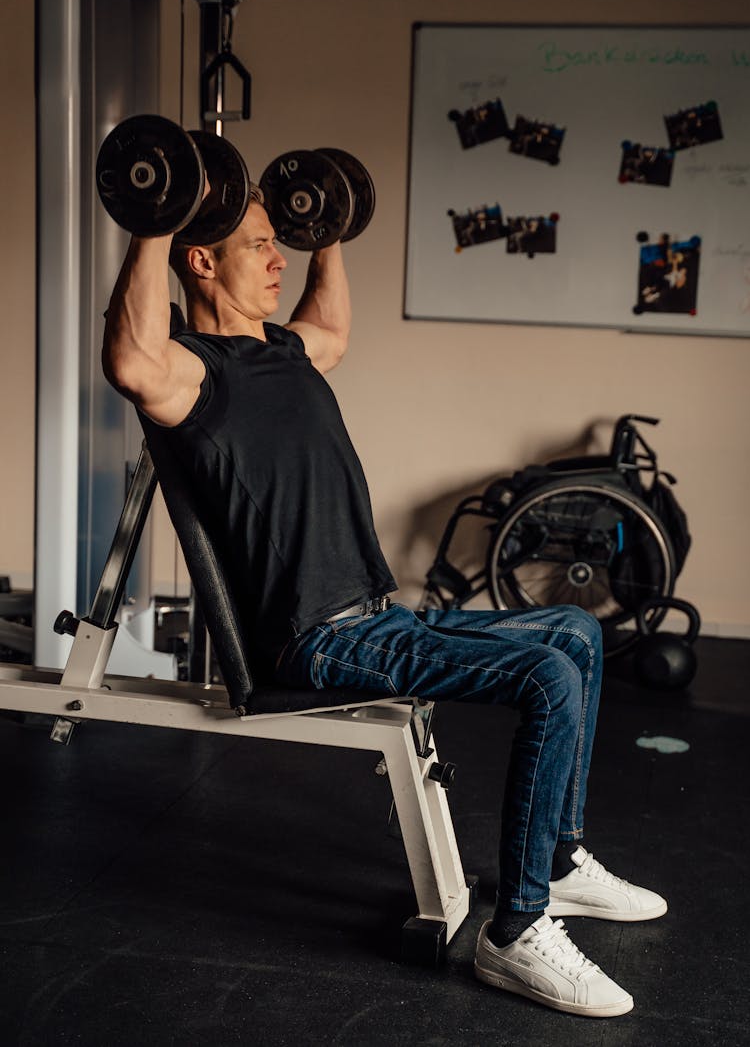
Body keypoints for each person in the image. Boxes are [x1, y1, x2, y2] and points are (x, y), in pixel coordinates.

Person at [103, 183, 667, 1020]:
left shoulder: (284, 352)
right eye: (261, 244)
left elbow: (330, 326)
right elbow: (130, 360)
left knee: (576, 629)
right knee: (547, 675)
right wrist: (156, 217)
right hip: (317, 638)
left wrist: (327, 231)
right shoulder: (196, 374)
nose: (278, 258)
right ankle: (515, 931)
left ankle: (556, 861)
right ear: (200, 260)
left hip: (379, 614)